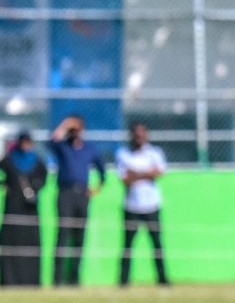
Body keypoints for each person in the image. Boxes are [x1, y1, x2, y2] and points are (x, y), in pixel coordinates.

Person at [48, 114, 106, 287]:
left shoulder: (89, 148)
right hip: (65, 193)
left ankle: (74, 279)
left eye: (76, 128)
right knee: (63, 235)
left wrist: (96, 189)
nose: (74, 131)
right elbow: (51, 141)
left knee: (79, 237)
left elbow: (102, 171)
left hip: (82, 194)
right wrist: (65, 124)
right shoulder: (62, 147)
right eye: (71, 129)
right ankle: (57, 280)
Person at [116, 122, 168, 286]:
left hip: (152, 205)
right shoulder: (123, 154)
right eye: (136, 134)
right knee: (127, 245)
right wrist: (147, 172)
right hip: (131, 206)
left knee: (157, 244)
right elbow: (125, 179)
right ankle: (123, 281)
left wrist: (136, 173)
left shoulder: (155, 153)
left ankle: (162, 279)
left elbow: (158, 172)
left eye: (142, 134)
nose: (139, 137)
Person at [1, 132, 48, 287]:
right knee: (11, 243)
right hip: (13, 209)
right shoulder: (9, 160)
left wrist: (35, 187)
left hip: (31, 211)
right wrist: (5, 184)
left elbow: (44, 179)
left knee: (31, 245)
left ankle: (31, 281)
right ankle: (10, 280)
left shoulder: (37, 162)